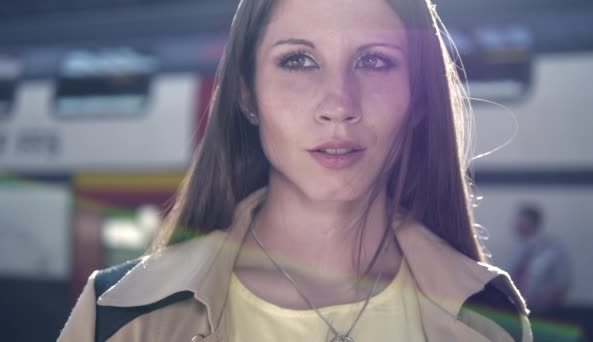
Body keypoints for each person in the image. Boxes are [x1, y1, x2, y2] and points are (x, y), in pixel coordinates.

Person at [58, 0, 532, 341]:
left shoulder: (487, 318)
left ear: (419, 99)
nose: (339, 105)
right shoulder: (119, 315)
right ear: (247, 95)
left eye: (374, 61)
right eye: (298, 61)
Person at [510, 204, 572, 316]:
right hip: (518, 310)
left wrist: (538, 301)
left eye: (520, 221)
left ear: (531, 222)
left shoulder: (552, 250)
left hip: (542, 312)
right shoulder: (519, 250)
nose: (515, 225)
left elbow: (563, 283)